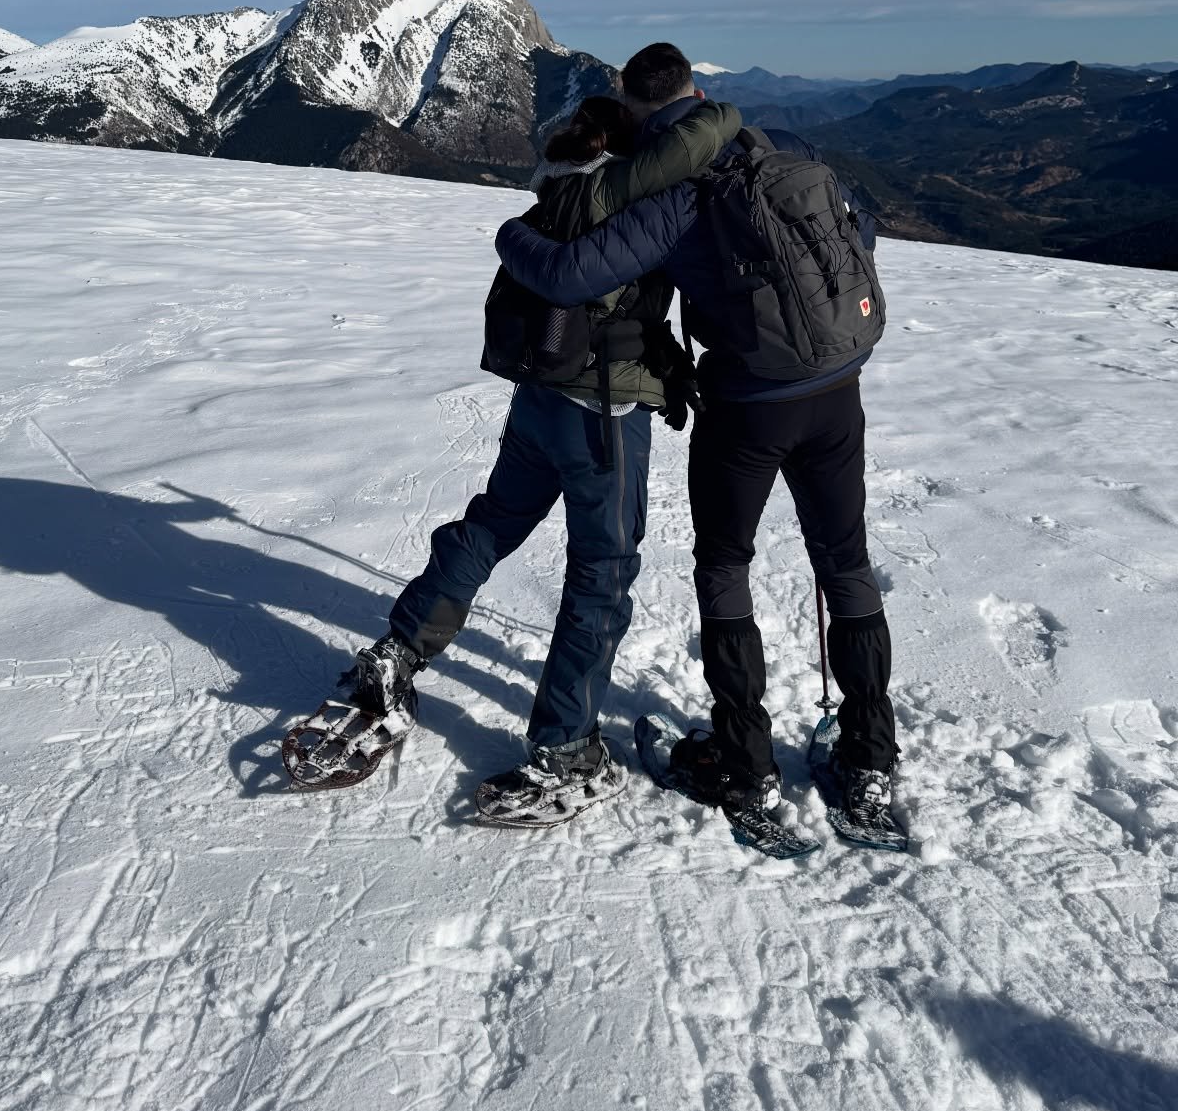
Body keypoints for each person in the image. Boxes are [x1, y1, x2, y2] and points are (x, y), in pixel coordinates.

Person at [493, 42, 899, 838]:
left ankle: (746, 765)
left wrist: (513, 235)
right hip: (837, 392)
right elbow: (862, 235)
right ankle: (868, 762)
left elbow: (571, 276)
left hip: (746, 408)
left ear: (633, 109)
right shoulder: (783, 146)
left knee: (724, 570)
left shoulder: (679, 193)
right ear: (700, 93)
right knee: (846, 567)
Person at [339, 89, 743, 822]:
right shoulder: (620, 190)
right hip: (603, 414)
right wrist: (707, 112)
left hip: (540, 398)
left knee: (492, 522)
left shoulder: (552, 186)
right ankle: (566, 746)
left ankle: (400, 649)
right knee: (601, 574)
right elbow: (689, 151)